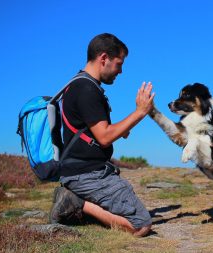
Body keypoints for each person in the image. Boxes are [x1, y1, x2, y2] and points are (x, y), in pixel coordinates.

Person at [49, 33, 154, 237]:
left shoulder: (78, 84)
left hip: (80, 171)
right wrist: (141, 111)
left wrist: (121, 129)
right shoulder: (86, 89)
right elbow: (104, 137)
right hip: (87, 174)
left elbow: (94, 130)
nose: (121, 71)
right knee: (140, 225)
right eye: (119, 63)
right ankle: (76, 202)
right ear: (103, 58)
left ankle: (77, 201)